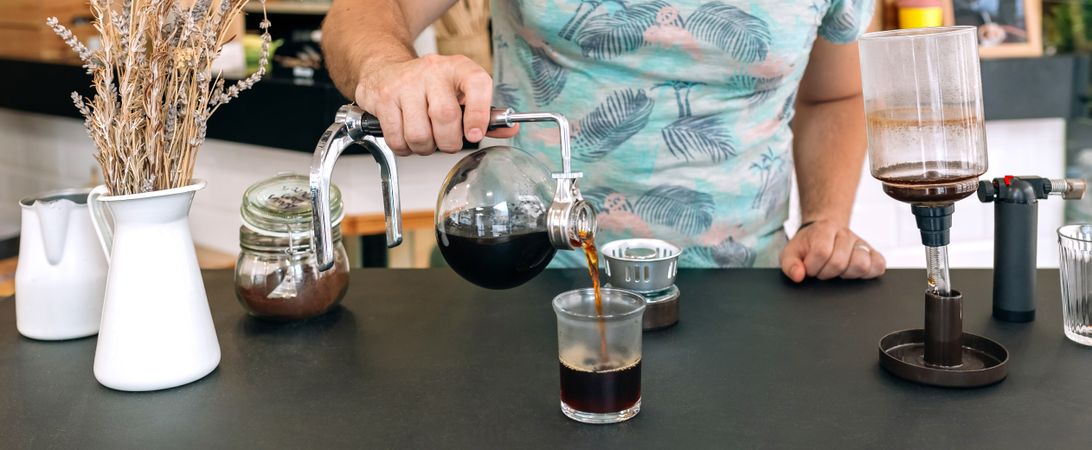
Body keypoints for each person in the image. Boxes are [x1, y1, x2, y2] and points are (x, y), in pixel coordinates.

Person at [322, 0, 886, 282]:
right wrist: (389, 68)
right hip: (528, 274)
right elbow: (363, 12)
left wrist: (824, 220)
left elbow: (833, 96)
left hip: (751, 286)